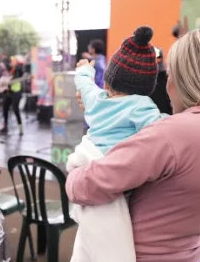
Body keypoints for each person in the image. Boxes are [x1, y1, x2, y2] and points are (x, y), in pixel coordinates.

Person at [66, 27, 200, 262]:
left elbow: (82, 186)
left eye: (170, 74)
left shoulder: (174, 135)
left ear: (184, 80)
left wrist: (77, 167)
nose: (166, 83)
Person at [67, 26, 165, 262]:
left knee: (88, 241)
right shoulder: (142, 106)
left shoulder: (97, 99)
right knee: (113, 243)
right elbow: (162, 131)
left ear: (109, 81)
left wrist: (83, 70)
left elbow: (84, 83)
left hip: (87, 164)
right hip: (113, 175)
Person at [0, 56, 24, 136]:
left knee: (16, 110)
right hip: (8, 91)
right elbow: (5, 70)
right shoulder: (11, 68)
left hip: (16, 92)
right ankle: (5, 127)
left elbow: (18, 76)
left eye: (13, 61)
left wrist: (10, 80)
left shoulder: (19, 69)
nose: (11, 62)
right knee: (5, 108)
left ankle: (20, 129)